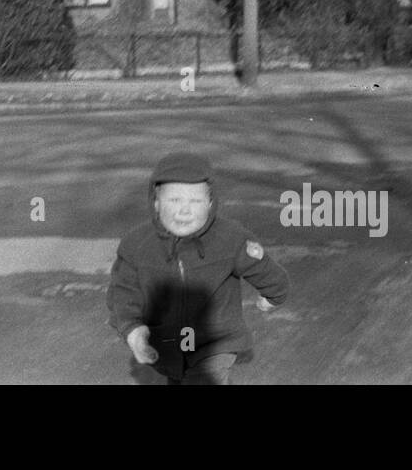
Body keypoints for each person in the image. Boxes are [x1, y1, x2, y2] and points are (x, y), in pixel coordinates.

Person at [107, 152, 289, 385]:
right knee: (178, 378)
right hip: (167, 343)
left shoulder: (230, 238)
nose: (184, 210)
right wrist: (132, 329)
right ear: (155, 202)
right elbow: (123, 291)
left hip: (216, 342)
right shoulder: (137, 244)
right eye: (174, 200)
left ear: (211, 203)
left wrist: (273, 296)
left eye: (195, 201)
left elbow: (266, 270)